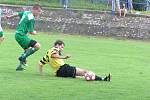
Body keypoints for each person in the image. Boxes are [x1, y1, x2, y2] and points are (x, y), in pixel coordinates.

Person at [38, 40, 111, 81]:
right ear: (57, 45)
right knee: (84, 72)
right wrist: (64, 57)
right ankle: (103, 78)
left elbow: (40, 64)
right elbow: (53, 55)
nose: (62, 49)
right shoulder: (54, 49)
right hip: (64, 68)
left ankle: (102, 78)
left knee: (81, 76)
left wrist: (41, 74)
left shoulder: (46, 56)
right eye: (62, 47)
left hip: (59, 73)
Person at [5, 4, 42, 71]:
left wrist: (9, 17)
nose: (39, 13)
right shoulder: (31, 18)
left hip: (17, 35)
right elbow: (31, 32)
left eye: (40, 12)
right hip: (21, 36)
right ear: (34, 10)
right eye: (38, 11)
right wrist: (35, 32)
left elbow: (17, 14)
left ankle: (19, 67)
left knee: (27, 51)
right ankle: (22, 57)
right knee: (38, 46)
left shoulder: (26, 12)